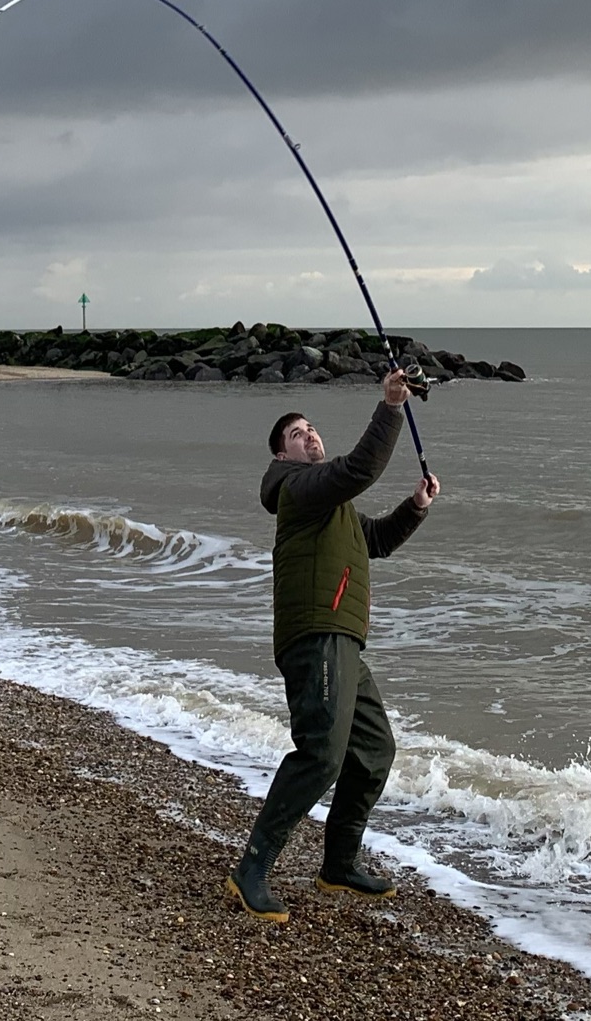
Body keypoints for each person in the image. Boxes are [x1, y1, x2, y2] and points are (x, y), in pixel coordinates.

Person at [226, 367, 441, 922]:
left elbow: (375, 541)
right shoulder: (298, 490)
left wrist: (414, 507)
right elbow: (360, 468)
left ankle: (338, 865)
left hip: (344, 642)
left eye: (312, 428)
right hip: (315, 636)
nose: (310, 436)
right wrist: (390, 406)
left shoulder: (331, 506)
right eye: (297, 434)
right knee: (321, 753)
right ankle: (251, 868)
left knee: (372, 750)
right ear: (281, 456)